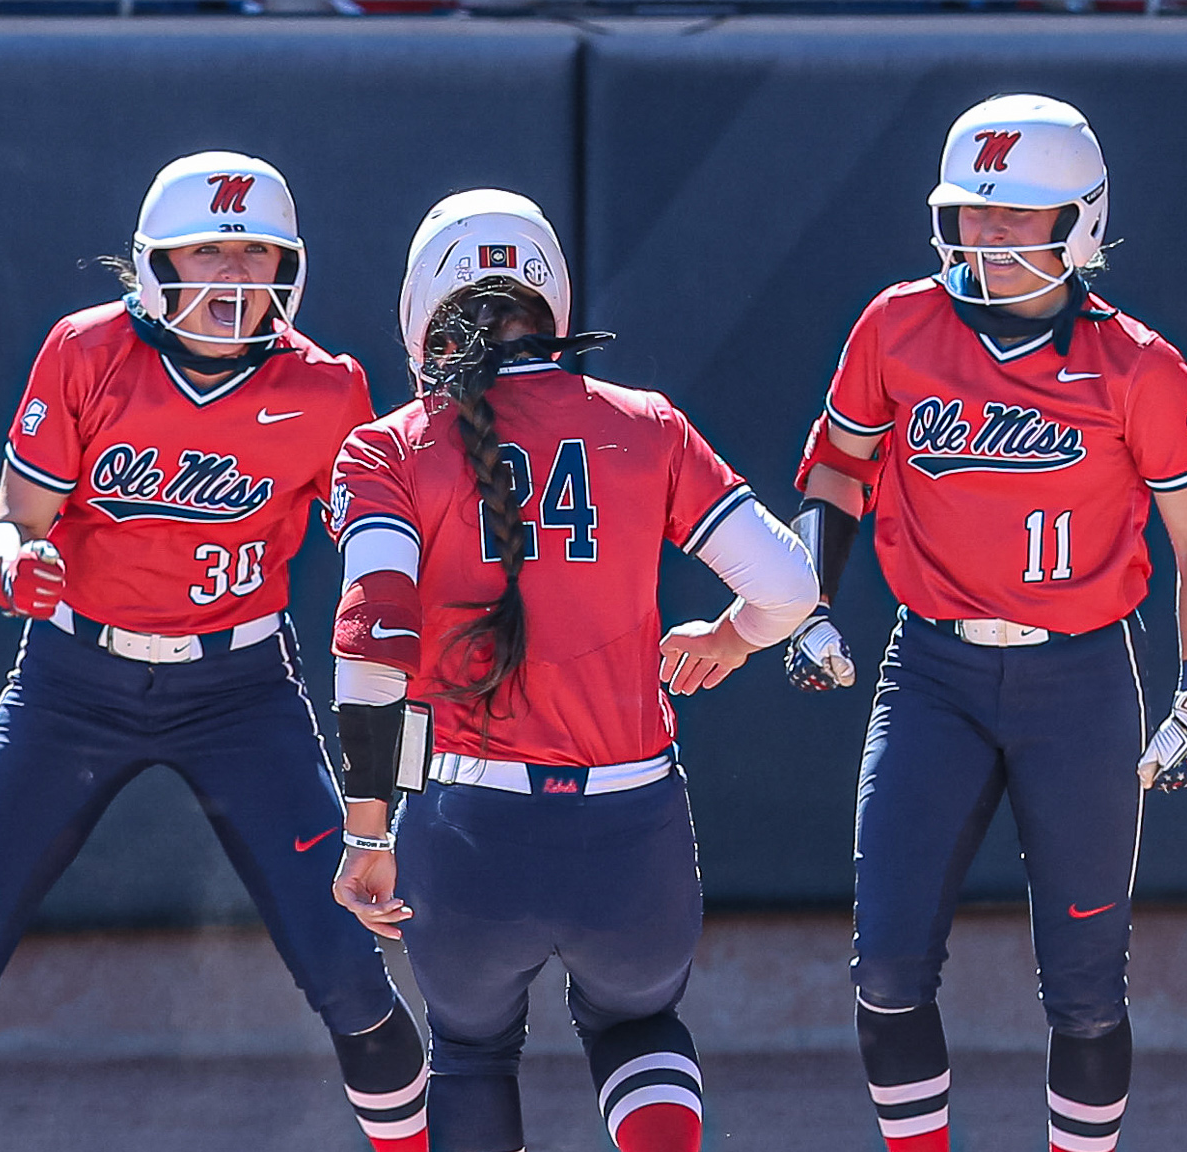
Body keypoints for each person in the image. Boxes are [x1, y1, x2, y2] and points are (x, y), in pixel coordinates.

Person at [0, 151, 429, 1152]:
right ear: (155, 261)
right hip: (71, 682)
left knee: (354, 981)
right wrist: (10, 565)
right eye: (207, 249)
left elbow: (373, 556)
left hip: (241, 689)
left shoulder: (329, 387)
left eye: (253, 252)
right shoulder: (86, 352)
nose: (232, 274)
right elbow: (6, 519)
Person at [782, 95, 1187, 1152]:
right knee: (886, 969)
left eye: (1011, 215)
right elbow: (838, 472)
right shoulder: (895, 325)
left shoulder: (1138, 367)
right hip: (928, 668)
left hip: (1077, 681)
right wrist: (803, 604)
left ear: (1077, 221)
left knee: (1082, 988)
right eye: (969, 213)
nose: (981, 235)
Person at [328, 189, 819, 1152]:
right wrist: (730, 640)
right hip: (632, 827)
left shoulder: (386, 448)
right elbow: (791, 587)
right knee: (638, 1030)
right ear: (548, 304)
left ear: (425, 308)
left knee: (469, 1054)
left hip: (467, 829)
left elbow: (373, 646)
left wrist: (367, 830)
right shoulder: (647, 424)